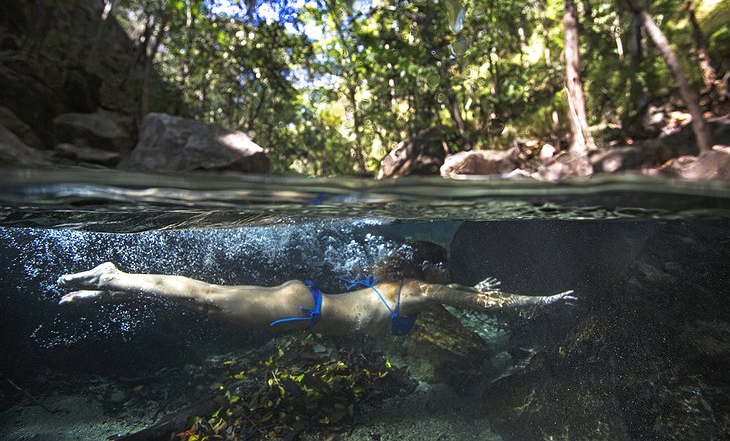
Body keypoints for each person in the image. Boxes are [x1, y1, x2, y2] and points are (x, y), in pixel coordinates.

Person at [57, 243, 575, 337]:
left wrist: (474, 288)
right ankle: (114, 275)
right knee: (206, 297)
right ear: (433, 271)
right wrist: (536, 303)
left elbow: (467, 292)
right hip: (300, 308)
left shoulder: (403, 284)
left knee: (208, 309)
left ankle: (112, 293)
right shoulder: (416, 287)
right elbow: (471, 298)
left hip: (303, 305)